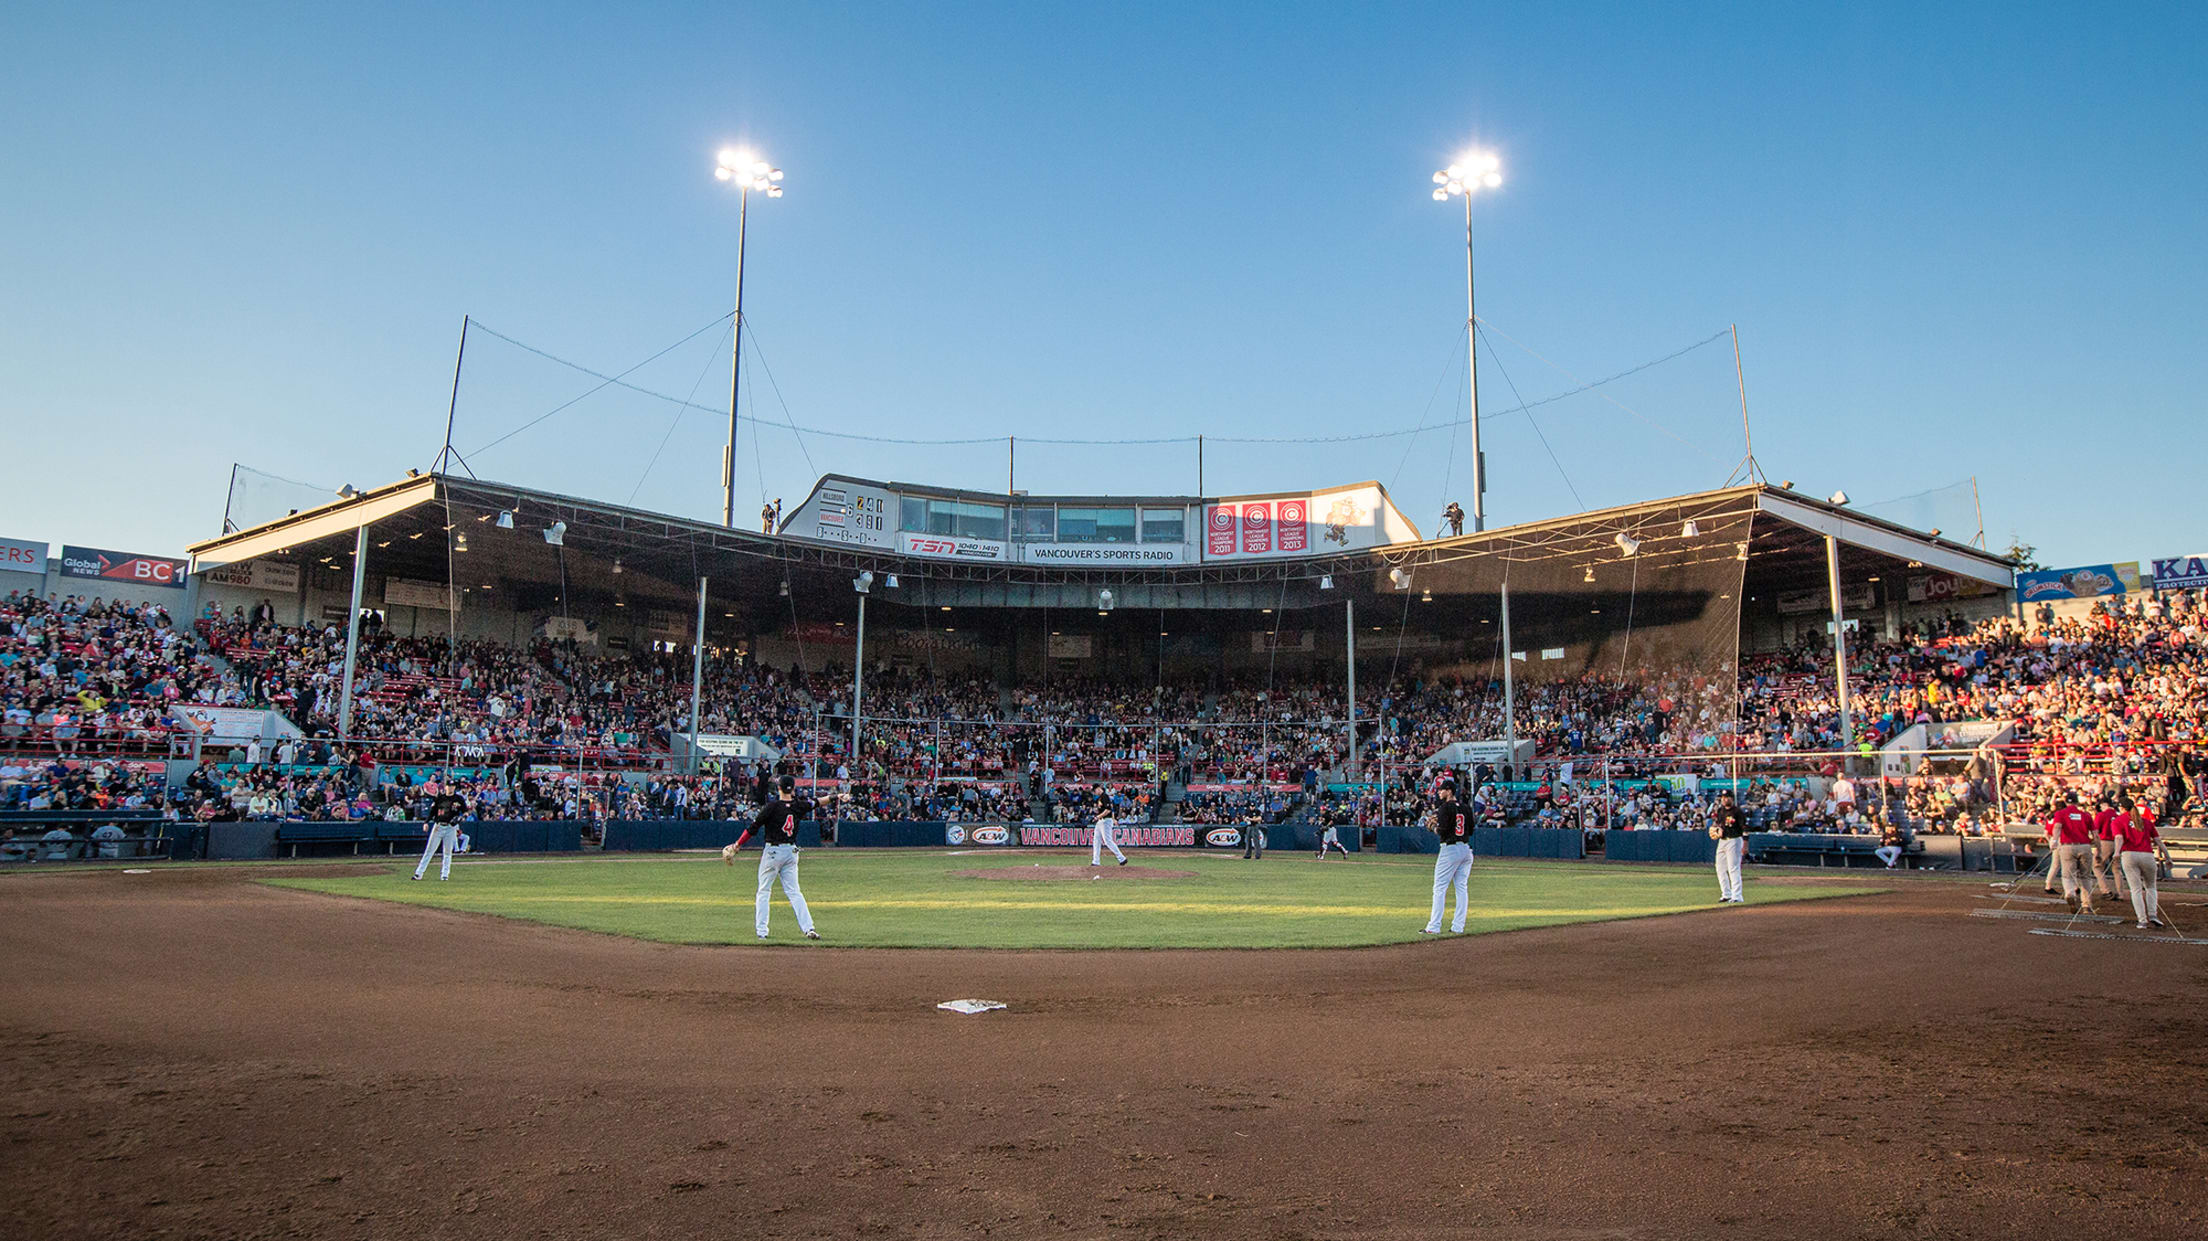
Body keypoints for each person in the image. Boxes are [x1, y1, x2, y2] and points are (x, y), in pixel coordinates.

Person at [726, 775, 819, 940]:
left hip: (773, 852)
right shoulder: (798, 806)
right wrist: (837, 797)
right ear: (793, 788)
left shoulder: (772, 806)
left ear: (779, 788)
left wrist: (737, 844)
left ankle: (762, 932)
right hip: (791, 852)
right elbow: (818, 802)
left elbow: (753, 828)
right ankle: (809, 928)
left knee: (764, 891)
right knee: (794, 892)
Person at [1422, 779, 1474, 934]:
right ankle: (1458, 927)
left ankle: (1433, 927)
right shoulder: (1466, 808)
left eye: (1441, 789)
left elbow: (1442, 831)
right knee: (1461, 888)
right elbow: (1471, 830)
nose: (1439, 792)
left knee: (1439, 888)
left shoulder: (1445, 808)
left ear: (1449, 791)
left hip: (1450, 850)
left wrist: (1433, 828)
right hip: (1466, 849)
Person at [2110, 796, 2166, 930]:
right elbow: (2158, 841)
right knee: (2151, 887)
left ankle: (2142, 920)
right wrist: (2167, 857)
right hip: (2147, 855)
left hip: (2129, 854)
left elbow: (2119, 838)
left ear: (2122, 808)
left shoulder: (2118, 821)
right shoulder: (2145, 821)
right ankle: (2153, 915)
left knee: (2136, 889)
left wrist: (2116, 852)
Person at [2043, 792, 2099, 914]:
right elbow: (2095, 834)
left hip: (2067, 846)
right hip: (2084, 846)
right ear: (2077, 802)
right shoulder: (2086, 815)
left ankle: (2070, 893)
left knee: (2067, 875)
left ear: (2066, 802)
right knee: (2085, 877)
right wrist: (2098, 849)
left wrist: (2054, 841)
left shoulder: (2061, 814)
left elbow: (2057, 827)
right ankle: (2086, 905)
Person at [412, 781, 466, 881]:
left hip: (450, 827)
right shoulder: (440, 798)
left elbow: (465, 811)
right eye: (449, 786)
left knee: (447, 851)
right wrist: (426, 822)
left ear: (454, 787)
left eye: (452, 786)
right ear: (445, 787)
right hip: (439, 825)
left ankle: (445, 875)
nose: (450, 788)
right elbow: (432, 811)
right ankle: (419, 873)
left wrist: (461, 817)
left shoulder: (459, 799)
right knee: (429, 850)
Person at [1710, 790, 1747, 902]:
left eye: (1727, 797)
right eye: (1723, 797)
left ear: (1732, 798)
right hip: (1722, 841)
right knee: (1720, 868)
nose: (1725, 799)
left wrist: (1745, 844)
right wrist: (1717, 829)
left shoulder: (1737, 811)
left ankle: (1737, 896)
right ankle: (1726, 894)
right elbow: (1719, 824)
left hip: (1734, 840)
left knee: (1733, 868)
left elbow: (1744, 828)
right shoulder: (1721, 811)